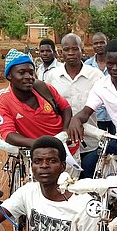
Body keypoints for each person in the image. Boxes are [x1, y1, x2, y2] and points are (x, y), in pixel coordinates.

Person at [68, 39, 117, 157]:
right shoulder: (101, 86)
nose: (114, 68)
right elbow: (86, 112)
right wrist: (75, 120)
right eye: (110, 63)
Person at [45, 34, 103, 178]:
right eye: (66, 49)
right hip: (63, 143)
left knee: (88, 184)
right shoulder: (52, 76)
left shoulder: (95, 76)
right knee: (64, 186)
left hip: (89, 143)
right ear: (60, 52)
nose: (71, 53)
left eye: (75, 49)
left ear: (82, 50)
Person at [0, 48, 72, 148]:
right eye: (21, 73)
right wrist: (40, 145)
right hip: (38, 152)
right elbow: (8, 134)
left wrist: (65, 130)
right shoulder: (3, 99)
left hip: (66, 147)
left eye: (31, 72)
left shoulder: (44, 88)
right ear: (9, 76)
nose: (28, 77)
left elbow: (65, 107)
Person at [84, 32, 116, 134]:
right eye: (96, 43)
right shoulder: (87, 65)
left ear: (107, 43)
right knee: (98, 143)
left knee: (116, 144)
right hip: (96, 114)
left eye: (102, 42)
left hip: (113, 113)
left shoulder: (115, 63)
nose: (99, 45)